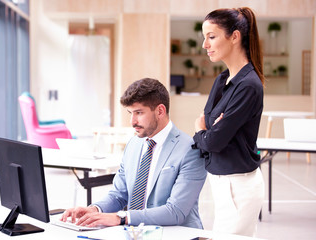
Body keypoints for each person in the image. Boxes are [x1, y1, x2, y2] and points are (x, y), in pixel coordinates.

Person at [61, 78, 207, 228]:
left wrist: (121, 217)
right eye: (130, 113)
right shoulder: (134, 144)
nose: (132, 121)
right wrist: (94, 210)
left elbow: (176, 211)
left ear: (160, 111)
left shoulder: (190, 149)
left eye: (139, 113)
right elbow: (119, 195)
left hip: (176, 234)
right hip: (135, 233)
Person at [192, 7, 265, 237]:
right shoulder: (222, 79)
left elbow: (212, 140)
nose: (205, 45)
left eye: (211, 37)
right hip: (221, 183)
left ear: (235, 37)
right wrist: (208, 130)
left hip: (239, 187)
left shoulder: (249, 85)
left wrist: (201, 131)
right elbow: (209, 124)